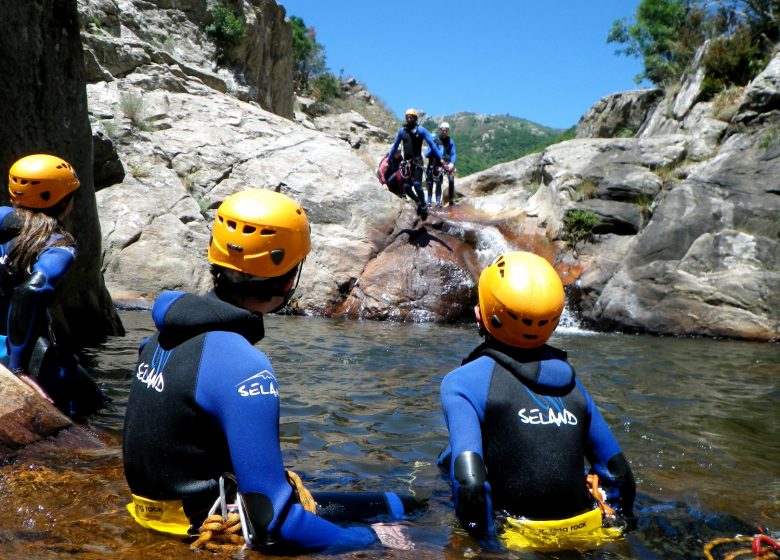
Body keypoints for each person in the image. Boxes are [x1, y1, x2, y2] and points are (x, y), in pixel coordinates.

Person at [122, 189, 418, 554]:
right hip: (209, 522)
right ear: (288, 278)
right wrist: (375, 540)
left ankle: (408, 504)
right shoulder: (242, 364)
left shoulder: (161, 335)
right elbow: (274, 525)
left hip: (155, 512)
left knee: (400, 503)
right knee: (407, 524)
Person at [437, 251, 635, 549]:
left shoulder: (462, 382)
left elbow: (470, 484)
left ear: (481, 314)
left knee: (444, 470)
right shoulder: (572, 382)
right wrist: (619, 528)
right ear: (553, 321)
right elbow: (619, 473)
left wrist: (485, 547)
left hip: (518, 537)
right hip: (587, 530)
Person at [0, 153, 105, 418]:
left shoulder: (2, 217)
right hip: (18, 348)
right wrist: (19, 369)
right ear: (65, 201)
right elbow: (32, 290)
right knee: (92, 404)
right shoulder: (58, 245)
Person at [387, 108, 444, 217]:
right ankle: (418, 201)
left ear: (415, 118)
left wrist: (440, 158)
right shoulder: (402, 131)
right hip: (406, 164)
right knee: (407, 187)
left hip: (417, 161)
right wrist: (389, 159)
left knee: (417, 185)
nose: (409, 119)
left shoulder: (421, 130)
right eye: (407, 117)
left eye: (411, 117)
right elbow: (395, 146)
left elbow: (432, 144)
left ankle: (423, 205)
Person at [425, 122, 457, 207]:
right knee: (434, 182)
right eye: (443, 130)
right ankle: (433, 201)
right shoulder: (436, 139)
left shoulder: (450, 141)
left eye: (446, 130)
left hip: (448, 162)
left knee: (451, 180)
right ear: (441, 130)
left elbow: (453, 154)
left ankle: (450, 200)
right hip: (438, 163)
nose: (444, 132)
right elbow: (428, 152)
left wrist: (452, 163)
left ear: (448, 130)